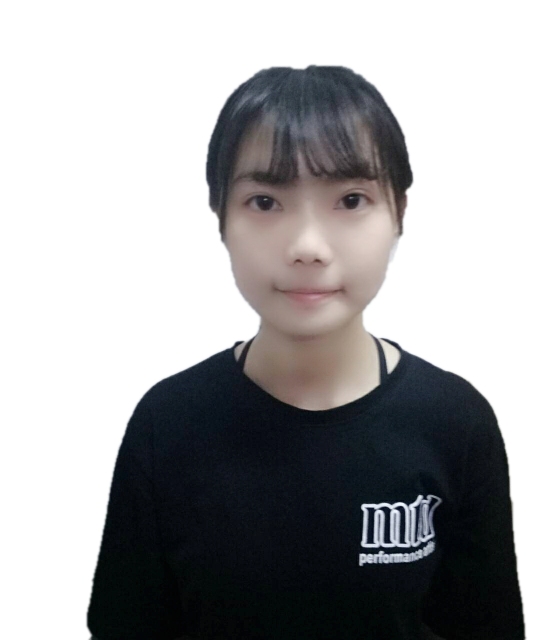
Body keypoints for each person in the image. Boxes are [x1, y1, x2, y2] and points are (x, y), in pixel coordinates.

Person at [87, 65, 525, 640]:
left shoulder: (454, 421)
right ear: (220, 217)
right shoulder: (167, 424)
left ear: (399, 213)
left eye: (351, 199)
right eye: (265, 202)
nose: (308, 246)